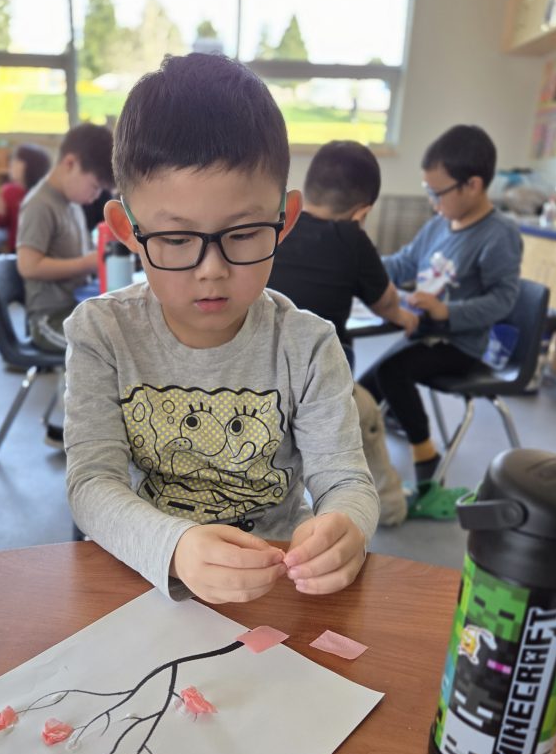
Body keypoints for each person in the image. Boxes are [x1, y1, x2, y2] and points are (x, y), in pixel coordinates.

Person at [64, 53, 379, 604]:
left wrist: (346, 526)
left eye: (243, 233)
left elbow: (346, 481)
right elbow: (91, 484)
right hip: (149, 576)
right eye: (176, 239)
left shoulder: (307, 346)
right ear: (127, 230)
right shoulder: (102, 333)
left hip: (275, 582)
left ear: (285, 220)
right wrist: (176, 547)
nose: (212, 270)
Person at [358, 124, 523, 484]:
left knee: (392, 373)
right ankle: (387, 427)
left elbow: (504, 300)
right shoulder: (439, 225)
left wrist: (447, 311)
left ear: (472, 185)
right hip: (425, 335)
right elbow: (404, 263)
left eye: (437, 192)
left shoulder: (499, 235)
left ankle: (426, 456)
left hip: (462, 344)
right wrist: (359, 266)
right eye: (428, 191)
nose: (433, 202)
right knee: (362, 390)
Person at [268, 140, 418, 370]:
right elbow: (386, 304)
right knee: (348, 362)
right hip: (317, 366)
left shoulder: (278, 226)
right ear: (363, 212)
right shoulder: (351, 237)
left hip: (263, 359)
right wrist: (404, 317)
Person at [16, 122, 114, 355]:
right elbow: (28, 266)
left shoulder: (72, 203)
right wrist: (88, 262)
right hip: (50, 319)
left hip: (77, 308)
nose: (95, 197)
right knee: (110, 352)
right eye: (94, 187)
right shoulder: (40, 205)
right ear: (70, 163)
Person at [0, 143, 51, 254]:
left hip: (40, 249)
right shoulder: (7, 190)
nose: (11, 164)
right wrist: (0, 210)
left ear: (30, 165)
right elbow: (1, 223)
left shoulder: (42, 194)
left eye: (16, 160)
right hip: (17, 248)